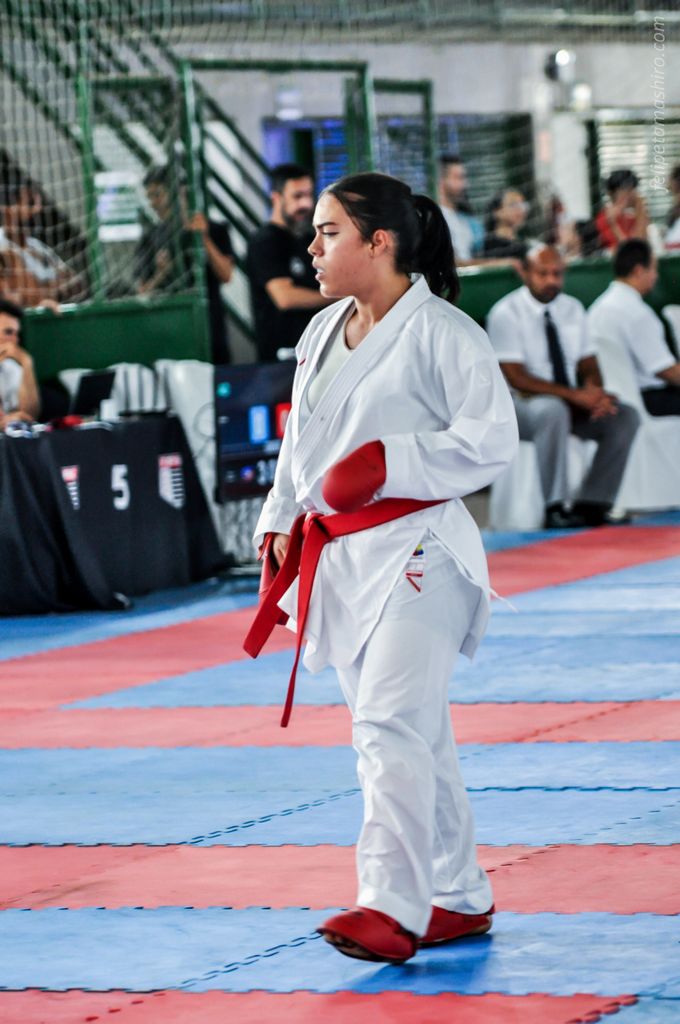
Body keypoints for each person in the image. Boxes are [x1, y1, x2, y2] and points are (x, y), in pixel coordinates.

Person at [247, 172, 518, 964]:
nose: (312, 247)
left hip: (420, 549)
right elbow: (300, 446)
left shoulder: (443, 333)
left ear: (379, 242)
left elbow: (491, 441)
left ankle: (390, 907)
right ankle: (458, 895)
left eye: (329, 232)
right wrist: (280, 520)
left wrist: (390, 461)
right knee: (416, 733)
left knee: (387, 725)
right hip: (342, 558)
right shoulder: (322, 329)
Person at [486, 244, 639, 528]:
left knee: (625, 416)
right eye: (543, 274)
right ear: (525, 273)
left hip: (567, 400)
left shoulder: (573, 309)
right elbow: (517, 378)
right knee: (552, 410)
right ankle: (554, 507)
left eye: (557, 274)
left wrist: (595, 395)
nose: (551, 281)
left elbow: (589, 363)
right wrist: (575, 396)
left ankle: (593, 504)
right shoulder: (506, 313)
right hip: (519, 405)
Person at [135, 166, 235, 363]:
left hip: (209, 329)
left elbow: (226, 275)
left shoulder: (215, 229)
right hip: (170, 333)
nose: (153, 203)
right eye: (149, 197)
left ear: (179, 192)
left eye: (157, 195)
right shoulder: (150, 238)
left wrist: (203, 239)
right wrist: (161, 273)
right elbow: (142, 293)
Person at [246, 163, 329, 362]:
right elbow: (285, 298)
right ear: (276, 198)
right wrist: (339, 296)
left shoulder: (308, 238)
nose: (306, 204)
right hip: (282, 357)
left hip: (314, 349)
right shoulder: (265, 241)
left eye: (308, 195)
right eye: (297, 196)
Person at [588, 239, 680, 416]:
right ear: (638, 271)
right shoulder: (637, 313)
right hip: (650, 400)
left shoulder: (597, 309)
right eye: (653, 269)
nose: (656, 276)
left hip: (617, 399)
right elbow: (666, 370)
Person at [0, 181, 78, 310]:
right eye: (31, 204)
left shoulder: (37, 246)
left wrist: (43, 287)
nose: (37, 210)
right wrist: (56, 286)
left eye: (39, 205)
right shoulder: (2, 246)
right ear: (8, 209)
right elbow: (26, 295)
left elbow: (77, 283)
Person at [0, 298, 40, 431]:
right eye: (8, 332)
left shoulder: (9, 366)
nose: (15, 340)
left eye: (17, 334)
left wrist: (26, 363)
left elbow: (31, 414)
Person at [438, 155, 483, 263]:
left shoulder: (464, 220)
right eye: (458, 178)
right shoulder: (433, 218)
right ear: (441, 180)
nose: (465, 184)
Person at [595, 169, 649, 252]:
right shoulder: (603, 218)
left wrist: (641, 210)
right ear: (611, 193)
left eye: (633, 189)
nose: (632, 194)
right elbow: (631, 248)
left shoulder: (632, 217)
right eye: (626, 189)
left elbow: (641, 244)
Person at [481, 188, 529, 260]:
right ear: (497, 212)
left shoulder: (523, 243)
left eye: (522, 205)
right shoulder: (491, 244)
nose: (520, 209)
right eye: (513, 205)